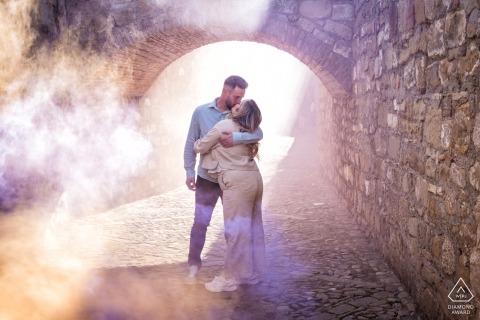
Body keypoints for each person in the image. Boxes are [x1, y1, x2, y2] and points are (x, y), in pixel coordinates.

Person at [183, 76, 262, 284]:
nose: (238, 101)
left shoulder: (239, 116)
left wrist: (236, 138)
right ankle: (193, 265)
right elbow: (191, 141)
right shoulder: (201, 112)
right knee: (200, 223)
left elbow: (259, 132)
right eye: (237, 96)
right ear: (226, 91)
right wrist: (189, 171)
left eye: (241, 98)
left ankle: (234, 270)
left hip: (230, 181)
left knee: (232, 226)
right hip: (207, 178)